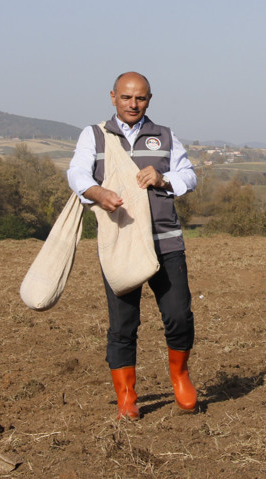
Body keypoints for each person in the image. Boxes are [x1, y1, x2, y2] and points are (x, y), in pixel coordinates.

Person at [67, 71, 198, 419]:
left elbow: (189, 175)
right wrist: (95, 191)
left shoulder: (165, 136)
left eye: (140, 98)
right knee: (123, 325)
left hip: (165, 243)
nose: (133, 104)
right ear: (113, 97)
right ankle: (126, 397)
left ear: (149, 99)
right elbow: (77, 174)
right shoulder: (94, 136)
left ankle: (180, 377)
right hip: (121, 244)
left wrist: (163, 177)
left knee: (179, 316)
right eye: (126, 97)